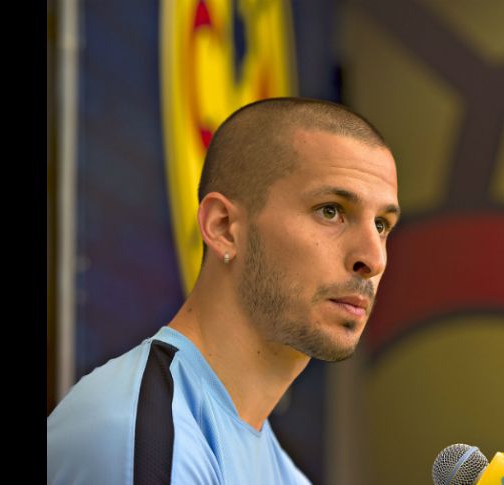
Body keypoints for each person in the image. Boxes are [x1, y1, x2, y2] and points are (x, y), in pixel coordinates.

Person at [47, 97, 401, 484]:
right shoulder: (141, 435)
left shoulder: (283, 473)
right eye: (330, 210)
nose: (373, 258)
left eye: (382, 225)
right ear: (223, 227)